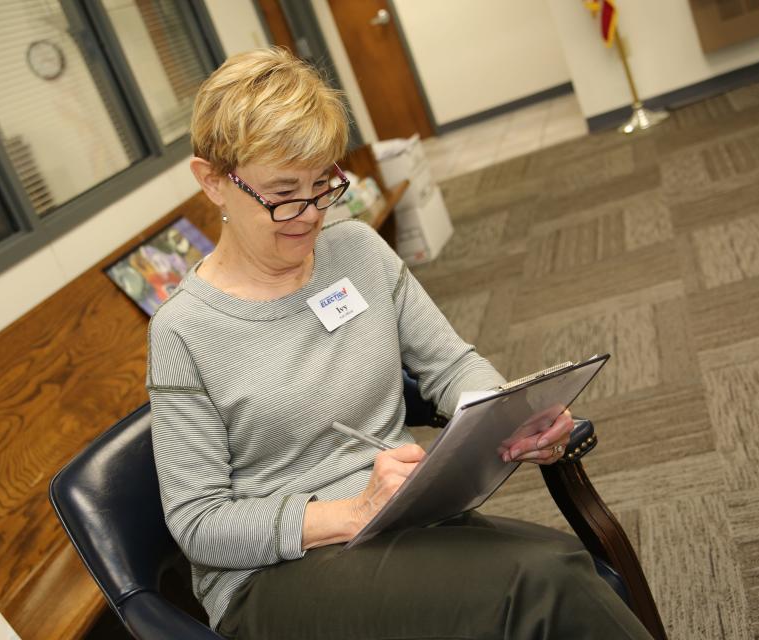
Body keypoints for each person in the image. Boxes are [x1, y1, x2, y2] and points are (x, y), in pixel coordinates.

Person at [146, 47, 652, 640]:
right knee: (540, 584)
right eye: (282, 193)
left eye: (322, 184)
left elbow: (450, 364)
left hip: (401, 524)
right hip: (275, 579)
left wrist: (513, 414)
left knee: (562, 570)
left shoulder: (356, 250)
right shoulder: (184, 331)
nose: (308, 214)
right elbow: (199, 523)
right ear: (212, 181)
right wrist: (350, 512)